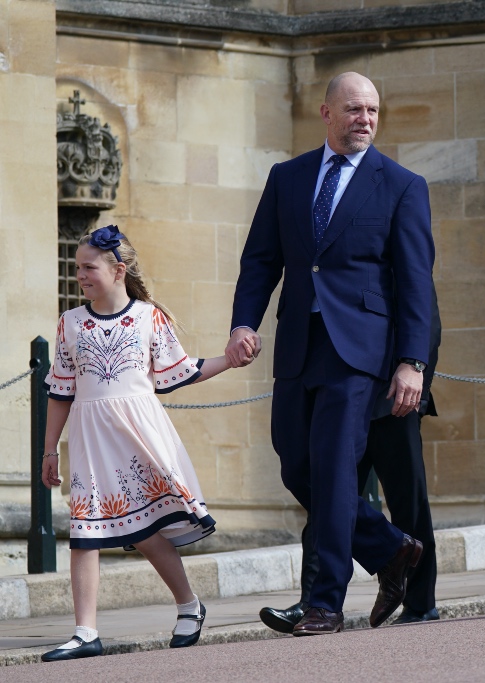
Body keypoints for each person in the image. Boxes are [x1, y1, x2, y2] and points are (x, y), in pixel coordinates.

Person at [227, 72, 435, 635]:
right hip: (298, 342)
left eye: (371, 109)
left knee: (337, 468)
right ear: (326, 113)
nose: (363, 119)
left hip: (361, 349)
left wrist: (412, 361)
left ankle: (325, 604)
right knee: (296, 463)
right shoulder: (287, 178)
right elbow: (259, 261)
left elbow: (416, 283)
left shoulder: (401, 184)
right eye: (352, 109)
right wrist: (243, 322)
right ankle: (390, 548)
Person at [39, 226, 245, 662]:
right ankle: (85, 632)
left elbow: (182, 371)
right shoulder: (69, 323)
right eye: (77, 267)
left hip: (141, 435)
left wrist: (230, 358)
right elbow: (60, 392)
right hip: (91, 437)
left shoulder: (149, 317)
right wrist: (49, 449)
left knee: (149, 533)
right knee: (84, 530)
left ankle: (189, 605)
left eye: (88, 267)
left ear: (119, 270)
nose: (80, 275)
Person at [258, 288, 443, 632]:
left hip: (394, 404)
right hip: (342, 399)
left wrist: (417, 390)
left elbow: (425, 322)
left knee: (408, 504)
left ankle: (419, 604)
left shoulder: (394, 255)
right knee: (325, 499)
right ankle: (315, 603)